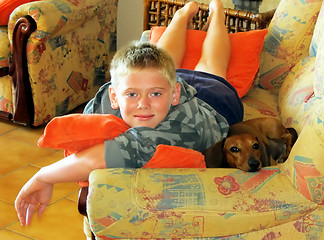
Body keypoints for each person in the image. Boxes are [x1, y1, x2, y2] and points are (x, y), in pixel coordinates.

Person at [15, 0, 243, 227]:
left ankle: (217, 12)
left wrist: (42, 176)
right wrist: (154, 92)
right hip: (167, 84)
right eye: (131, 95)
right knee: (159, 59)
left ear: (175, 94)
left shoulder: (183, 130)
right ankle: (184, 14)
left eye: (153, 95)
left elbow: (119, 151)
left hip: (214, 101)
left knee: (211, 65)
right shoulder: (106, 99)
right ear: (114, 96)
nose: (143, 104)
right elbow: (84, 139)